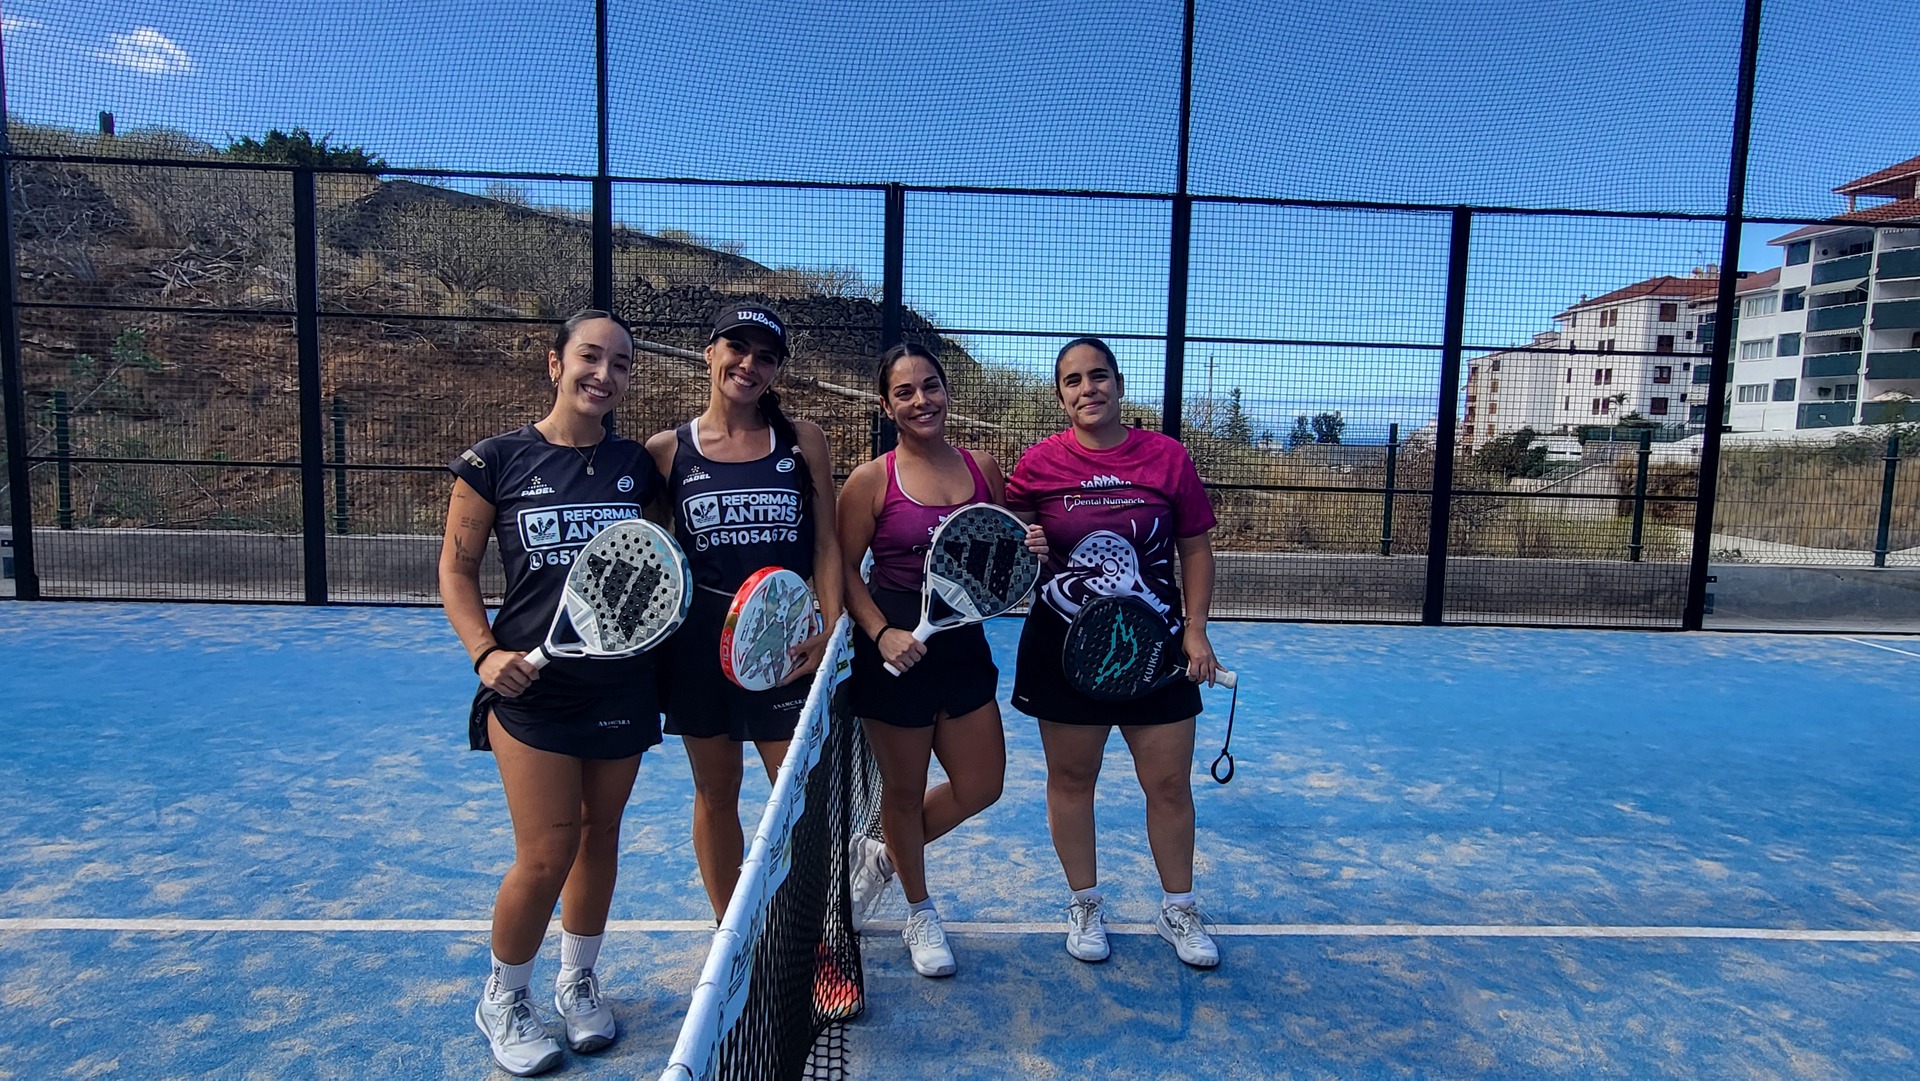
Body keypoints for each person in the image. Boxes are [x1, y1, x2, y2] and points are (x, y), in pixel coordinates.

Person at [439, 310, 663, 1076]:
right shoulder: (495, 460)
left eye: (620, 363)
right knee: (546, 852)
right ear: (554, 362)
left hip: (622, 684)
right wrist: (484, 653)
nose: (604, 374)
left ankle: (578, 979)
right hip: (532, 691)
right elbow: (456, 570)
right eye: (590, 357)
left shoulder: (638, 466)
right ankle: (503, 996)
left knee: (600, 836)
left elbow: (662, 561)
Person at [1005, 336, 1224, 969]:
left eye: (1098, 376)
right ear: (1060, 397)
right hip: (1063, 648)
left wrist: (1196, 629)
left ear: (1120, 385)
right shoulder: (1038, 464)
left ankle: (1178, 908)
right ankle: (1085, 904)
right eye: (1073, 381)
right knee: (1073, 780)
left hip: (1156, 650)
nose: (1088, 389)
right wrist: (1025, 543)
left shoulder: (1166, 457)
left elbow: (1196, 547)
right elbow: (1007, 538)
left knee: (1169, 784)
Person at [837, 343, 1045, 978]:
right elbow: (843, 569)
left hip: (963, 650)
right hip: (894, 654)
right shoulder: (871, 481)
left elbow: (999, 549)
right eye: (904, 392)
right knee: (902, 792)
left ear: (946, 392)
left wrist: (1031, 545)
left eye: (930, 386)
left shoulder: (983, 468)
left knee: (983, 784)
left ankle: (882, 854)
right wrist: (881, 633)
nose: (921, 400)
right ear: (886, 405)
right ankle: (919, 911)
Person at [647, 303, 842, 920]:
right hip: (699, 648)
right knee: (716, 792)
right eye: (737, 348)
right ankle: (727, 930)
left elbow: (827, 544)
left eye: (766, 356)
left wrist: (829, 627)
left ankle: (812, 929)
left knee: (800, 796)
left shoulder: (803, 440)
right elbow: (652, 555)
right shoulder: (666, 451)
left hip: (787, 642)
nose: (749, 364)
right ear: (710, 353)